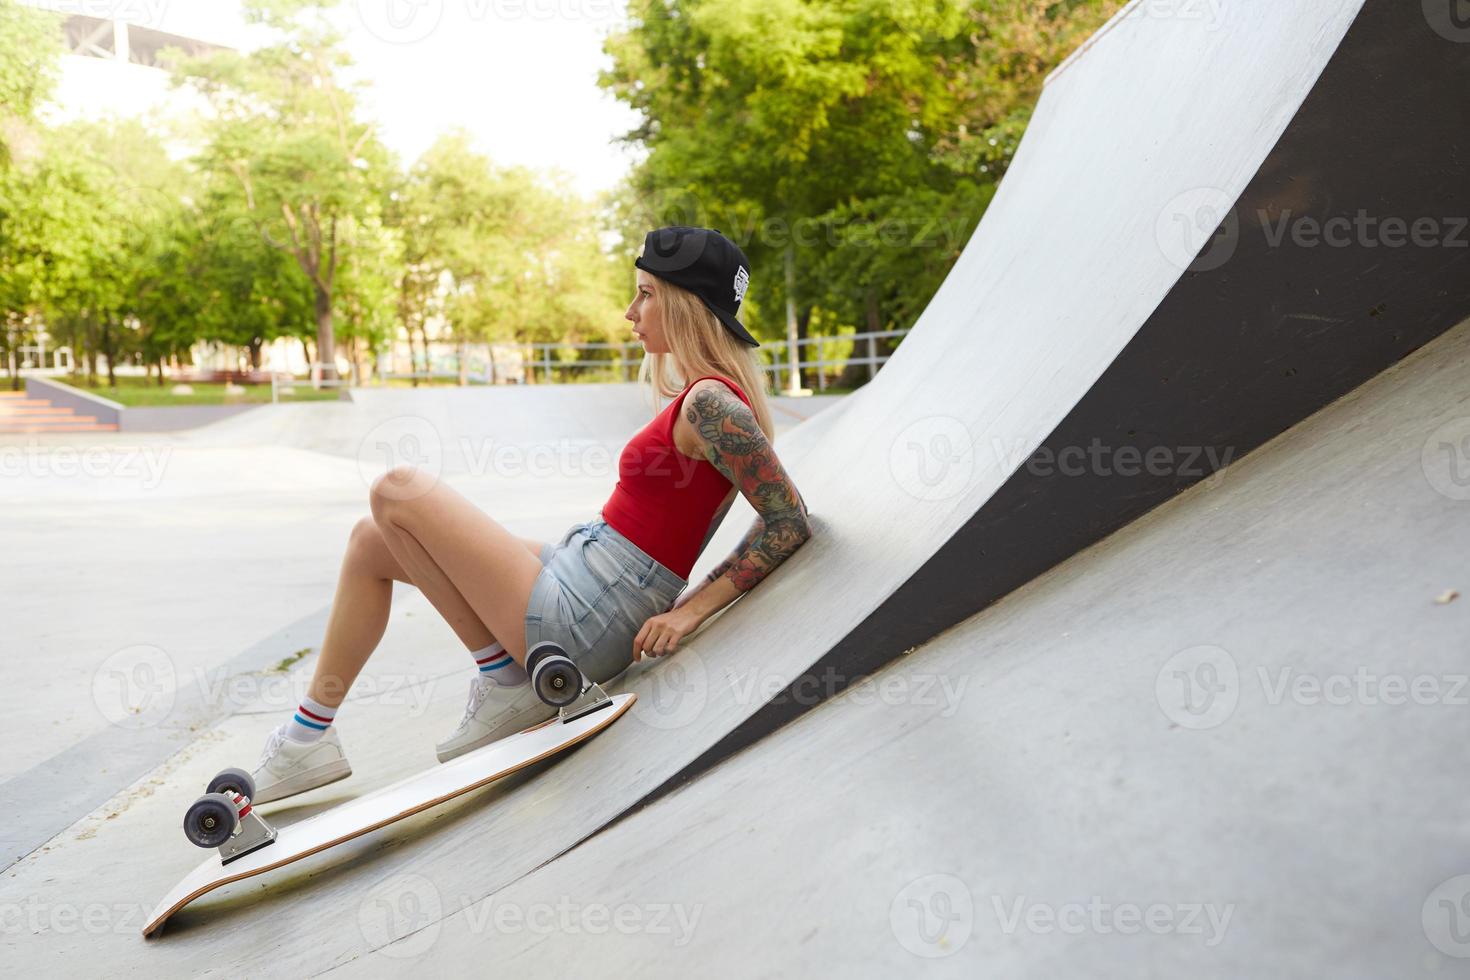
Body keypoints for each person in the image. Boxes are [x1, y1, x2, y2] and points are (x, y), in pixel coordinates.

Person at [251, 226, 814, 803]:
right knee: (371, 539)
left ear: (685, 304)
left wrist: (691, 610)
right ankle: (307, 738)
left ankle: (506, 679)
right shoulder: (698, 396)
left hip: (594, 614)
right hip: (581, 566)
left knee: (397, 489)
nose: (630, 311)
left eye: (646, 293)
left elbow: (789, 520)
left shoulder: (712, 404)